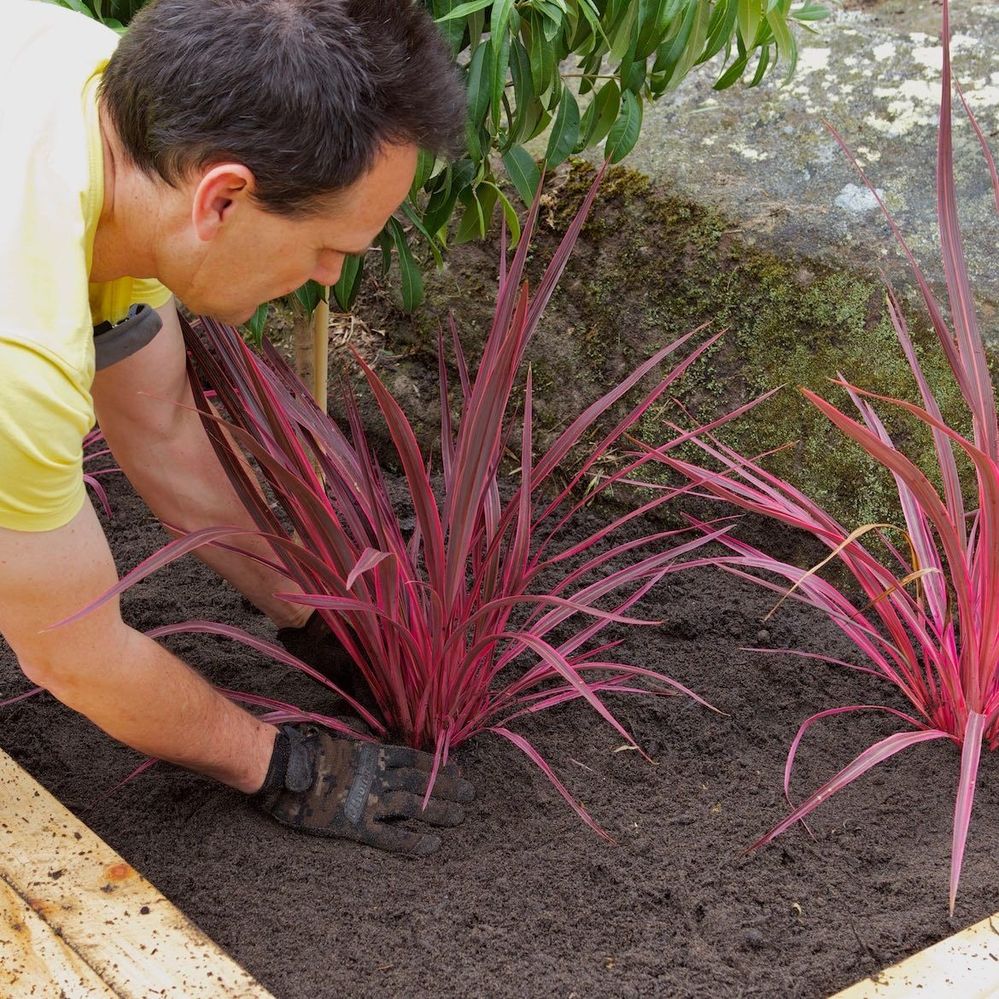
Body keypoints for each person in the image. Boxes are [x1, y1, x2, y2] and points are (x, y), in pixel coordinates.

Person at [0, 0, 473, 855]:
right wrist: (284, 764)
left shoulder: (112, 101)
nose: (326, 278)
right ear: (222, 199)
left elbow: (162, 427)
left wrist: (311, 611)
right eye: (330, 247)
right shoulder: (16, 351)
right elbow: (72, 652)